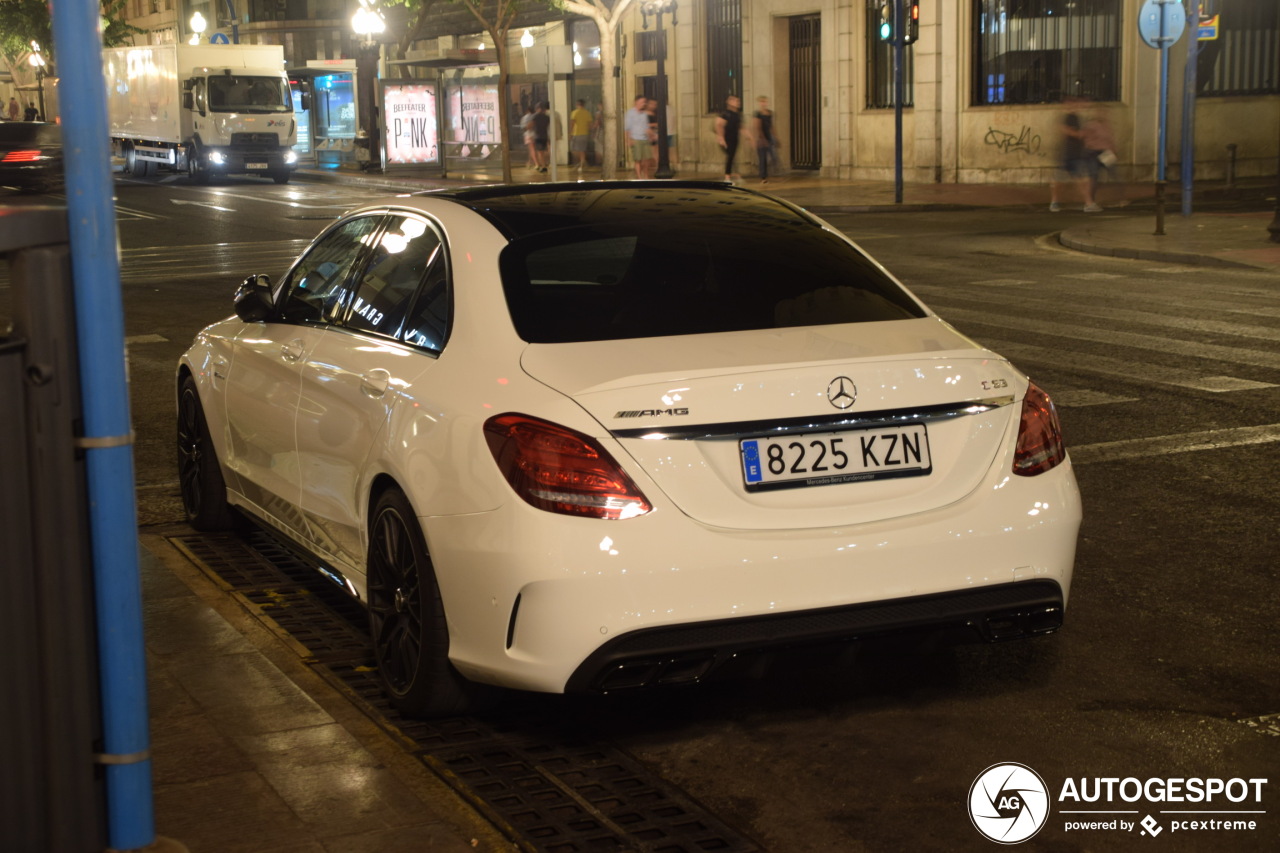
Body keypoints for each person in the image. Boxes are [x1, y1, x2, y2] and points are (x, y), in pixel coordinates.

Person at [1049, 96, 1100, 213]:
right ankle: (1054, 202)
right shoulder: (1066, 118)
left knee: (1083, 180)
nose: (1076, 106)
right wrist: (1081, 133)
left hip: (1076, 154)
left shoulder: (1077, 118)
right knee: (1059, 181)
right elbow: (1067, 131)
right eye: (1072, 104)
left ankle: (1088, 203)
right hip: (1066, 154)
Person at [1082, 106, 1116, 208]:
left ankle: (1119, 197)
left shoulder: (1106, 125)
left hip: (1104, 152)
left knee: (1114, 173)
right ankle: (1090, 200)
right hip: (1093, 152)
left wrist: (1113, 149)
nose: (1103, 115)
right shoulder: (1091, 125)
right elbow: (1086, 138)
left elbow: (1109, 139)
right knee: (1093, 176)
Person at [715, 94, 750, 183]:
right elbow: (719, 125)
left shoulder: (738, 114)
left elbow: (740, 126)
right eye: (734, 100)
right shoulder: (725, 113)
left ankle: (735, 175)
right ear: (729, 102)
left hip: (735, 138)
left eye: (738, 101)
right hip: (727, 139)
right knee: (730, 157)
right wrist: (721, 138)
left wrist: (748, 136)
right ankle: (727, 178)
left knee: (732, 157)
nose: (737, 102)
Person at [624, 95, 653, 179]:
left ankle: (646, 175)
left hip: (645, 138)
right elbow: (627, 128)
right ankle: (639, 176)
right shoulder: (630, 113)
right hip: (636, 139)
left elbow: (646, 126)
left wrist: (650, 135)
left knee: (647, 159)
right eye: (641, 102)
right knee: (638, 159)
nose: (643, 104)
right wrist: (628, 139)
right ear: (636, 102)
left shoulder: (644, 114)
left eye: (644, 102)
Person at [752, 96, 777, 183]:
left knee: (774, 156)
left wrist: (775, 137)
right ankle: (763, 177)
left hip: (769, 137)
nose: (764, 103)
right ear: (759, 103)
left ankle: (774, 173)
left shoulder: (770, 113)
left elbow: (771, 126)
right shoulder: (757, 114)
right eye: (762, 102)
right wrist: (762, 139)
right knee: (762, 159)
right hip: (761, 139)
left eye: (765, 101)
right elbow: (757, 126)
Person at [569, 98, 592, 172]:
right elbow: (589, 125)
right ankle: (583, 162)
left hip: (577, 133)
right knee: (582, 149)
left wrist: (570, 133)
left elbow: (572, 123)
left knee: (577, 149)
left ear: (577, 105)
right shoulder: (587, 113)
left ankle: (582, 163)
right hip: (585, 133)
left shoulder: (574, 112)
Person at [531, 101, 551, 173]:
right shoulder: (547, 117)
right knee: (544, 151)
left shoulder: (535, 116)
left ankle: (543, 166)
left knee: (540, 152)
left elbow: (531, 125)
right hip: (545, 135)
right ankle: (545, 164)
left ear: (538, 108)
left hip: (538, 136)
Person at [520, 105, 538, 170]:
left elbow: (523, 127)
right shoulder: (535, 116)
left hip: (528, 134)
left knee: (531, 149)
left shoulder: (525, 117)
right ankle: (530, 162)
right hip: (535, 134)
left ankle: (536, 163)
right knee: (533, 149)